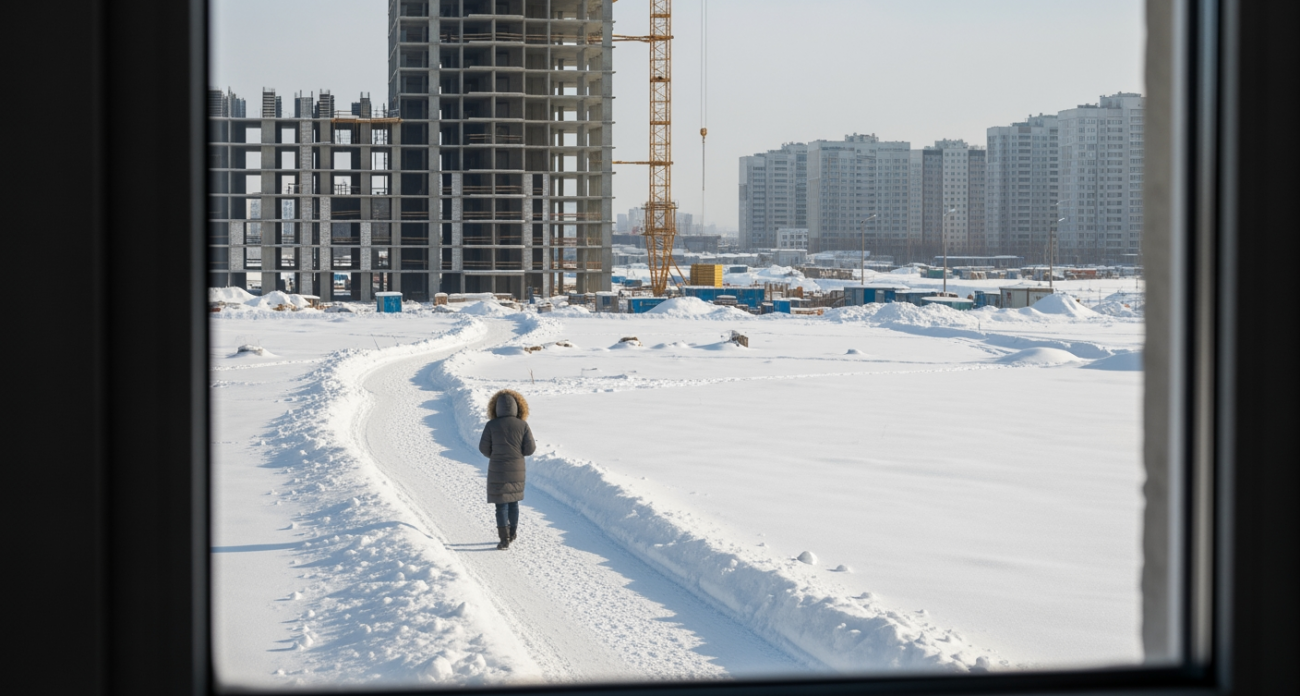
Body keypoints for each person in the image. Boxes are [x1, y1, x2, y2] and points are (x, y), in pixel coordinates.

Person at [478, 389, 535, 550]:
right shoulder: (523, 425)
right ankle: (513, 532)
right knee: (513, 502)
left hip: (497, 468)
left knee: (501, 504)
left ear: (495, 407)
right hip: (517, 468)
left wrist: (495, 455)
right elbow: (530, 449)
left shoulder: (491, 425)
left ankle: (504, 540)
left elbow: (484, 448)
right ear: (518, 407)